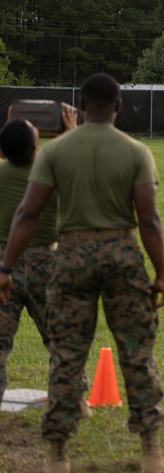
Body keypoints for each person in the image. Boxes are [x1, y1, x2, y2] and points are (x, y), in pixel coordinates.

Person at [0, 74, 164, 473]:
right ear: (119, 105)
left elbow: (28, 212)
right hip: (121, 252)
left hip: (71, 255)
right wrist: (161, 274)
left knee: (66, 355)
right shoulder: (136, 151)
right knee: (136, 352)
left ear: (79, 103)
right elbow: (149, 219)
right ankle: (150, 452)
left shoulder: (54, 153)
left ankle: (58, 457)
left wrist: (6, 266)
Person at [0, 112, 91, 415]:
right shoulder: (50, 175)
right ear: (36, 148)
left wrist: (10, 130)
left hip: (4, 264)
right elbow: (78, 168)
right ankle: (75, 400)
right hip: (46, 263)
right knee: (61, 337)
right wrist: (72, 134)